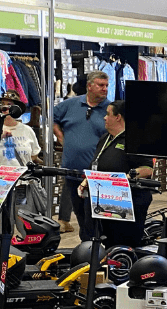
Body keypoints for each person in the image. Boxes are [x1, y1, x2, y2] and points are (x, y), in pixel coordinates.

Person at [81, 100, 153, 247]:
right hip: (105, 199)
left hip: (128, 201)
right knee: (106, 241)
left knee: (123, 243)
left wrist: (124, 178)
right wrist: (86, 181)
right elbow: (97, 164)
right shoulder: (105, 138)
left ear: (118, 117)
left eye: (108, 114)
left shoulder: (135, 138)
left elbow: (148, 169)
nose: (104, 118)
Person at [53, 70, 110, 241]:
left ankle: (93, 250)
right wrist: (61, 138)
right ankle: (86, 250)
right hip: (72, 171)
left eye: (106, 85)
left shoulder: (110, 109)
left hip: (97, 175)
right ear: (89, 86)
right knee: (80, 214)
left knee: (94, 218)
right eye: (101, 85)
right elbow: (50, 117)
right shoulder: (70, 105)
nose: (105, 89)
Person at [0, 89, 41, 170]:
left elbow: (34, 154)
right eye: (2, 105)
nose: (5, 109)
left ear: (16, 109)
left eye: (9, 105)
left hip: (22, 180)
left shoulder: (27, 130)